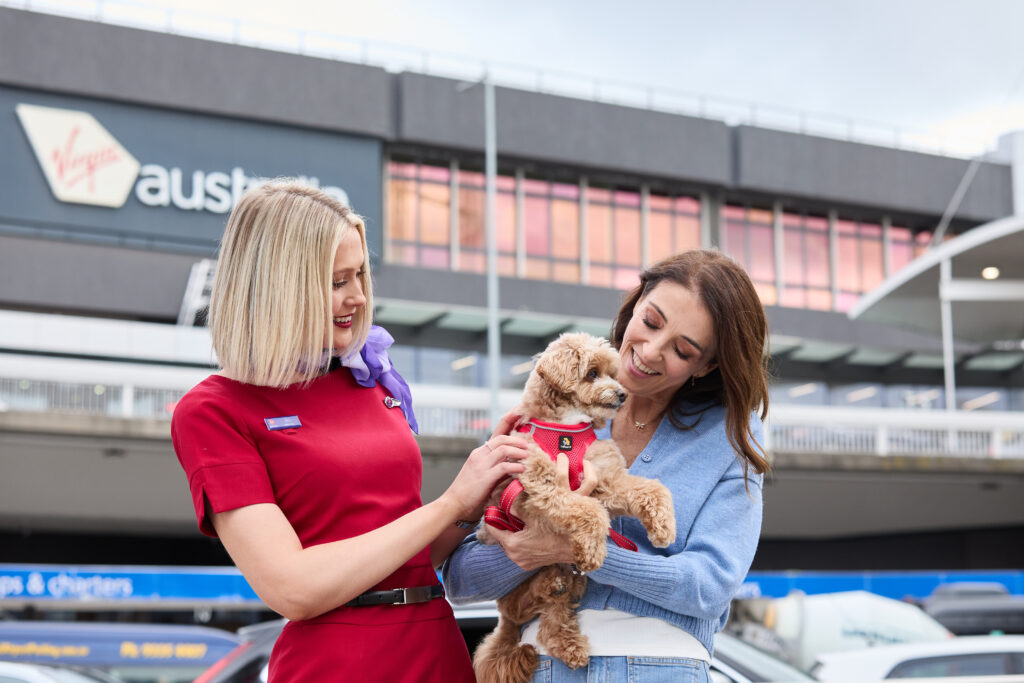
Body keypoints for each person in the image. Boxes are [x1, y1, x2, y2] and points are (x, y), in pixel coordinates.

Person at [170, 180, 529, 682]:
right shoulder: (213, 410)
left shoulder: (371, 381)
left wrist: (481, 493)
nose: (359, 297)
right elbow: (292, 588)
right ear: (279, 284)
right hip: (338, 663)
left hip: (435, 645)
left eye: (360, 274)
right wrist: (449, 503)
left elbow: (409, 554)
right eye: (337, 281)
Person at [443, 249, 771, 682]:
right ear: (635, 302)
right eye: (650, 322)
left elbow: (709, 586)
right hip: (543, 664)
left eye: (683, 349)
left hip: (659, 667)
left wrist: (572, 550)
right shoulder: (551, 410)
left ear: (707, 365)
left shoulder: (730, 432)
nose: (650, 351)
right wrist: (533, 544)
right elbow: (461, 581)